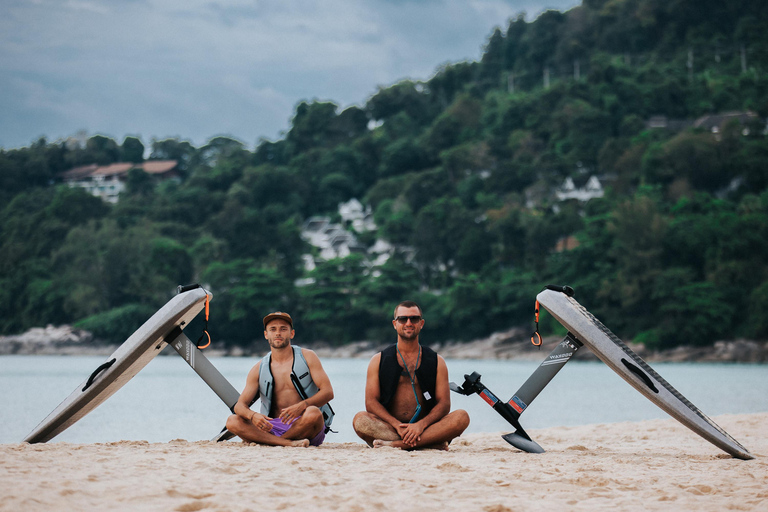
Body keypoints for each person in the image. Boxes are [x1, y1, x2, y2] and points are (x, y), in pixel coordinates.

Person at [353, 300, 470, 449]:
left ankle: (399, 445)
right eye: (403, 319)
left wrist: (421, 425)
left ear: (421, 323)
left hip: (426, 427)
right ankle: (429, 442)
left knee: (461, 417)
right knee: (360, 419)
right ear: (395, 324)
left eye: (414, 319)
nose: (409, 323)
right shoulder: (378, 360)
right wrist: (396, 425)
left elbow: (444, 404)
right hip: (392, 429)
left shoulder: (437, 361)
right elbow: (371, 403)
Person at [225, 311, 334, 447]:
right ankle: (286, 443)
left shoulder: (308, 357)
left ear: (291, 333)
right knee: (232, 421)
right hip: (272, 427)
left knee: (314, 413)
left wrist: (302, 406)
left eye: (283, 329)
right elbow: (240, 406)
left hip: (305, 425)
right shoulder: (258, 368)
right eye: (273, 329)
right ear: (266, 334)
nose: (278, 333)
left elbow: (328, 392)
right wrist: (253, 416)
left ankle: (272, 442)